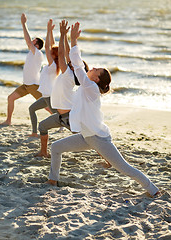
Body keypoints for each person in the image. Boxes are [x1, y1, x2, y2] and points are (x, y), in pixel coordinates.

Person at [46, 22, 159, 198]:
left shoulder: (91, 88)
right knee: (56, 147)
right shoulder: (87, 87)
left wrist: (74, 40)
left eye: (96, 69)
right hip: (86, 136)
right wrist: (69, 39)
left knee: (124, 168)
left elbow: (77, 64)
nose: (92, 68)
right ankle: (52, 180)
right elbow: (73, 62)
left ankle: (153, 189)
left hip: (98, 138)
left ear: (97, 79)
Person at [35, 20, 88, 158]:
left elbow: (63, 55)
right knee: (42, 126)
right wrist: (67, 37)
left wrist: (63, 34)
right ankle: (43, 152)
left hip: (69, 118)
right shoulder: (70, 73)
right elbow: (68, 54)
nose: (69, 61)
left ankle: (106, 158)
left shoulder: (68, 74)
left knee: (90, 138)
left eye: (71, 63)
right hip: (59, 116)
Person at [0, 13, 44, 126]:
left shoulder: (37, 53)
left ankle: (61, 122)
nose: (30, 42)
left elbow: (27, 41)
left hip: (33, 86)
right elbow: (28, 41)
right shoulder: (31, 52)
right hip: (25, 85)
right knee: (10, 98)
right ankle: (8, 121)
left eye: (33, 41)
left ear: (37, 45)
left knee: (47, 106)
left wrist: (24, 24)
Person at [28, 19, 62, 138]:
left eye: (51, 52)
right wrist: (51, 32)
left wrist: (48, 31)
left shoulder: (53, 66)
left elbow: (47, 47)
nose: (49, 52)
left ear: (53, 55)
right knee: (32, 109)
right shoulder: (52, 65)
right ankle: (34, 132)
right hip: (45, 95)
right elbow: (51, 46)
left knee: (58, 115)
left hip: (49, 95)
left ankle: (67, 125)